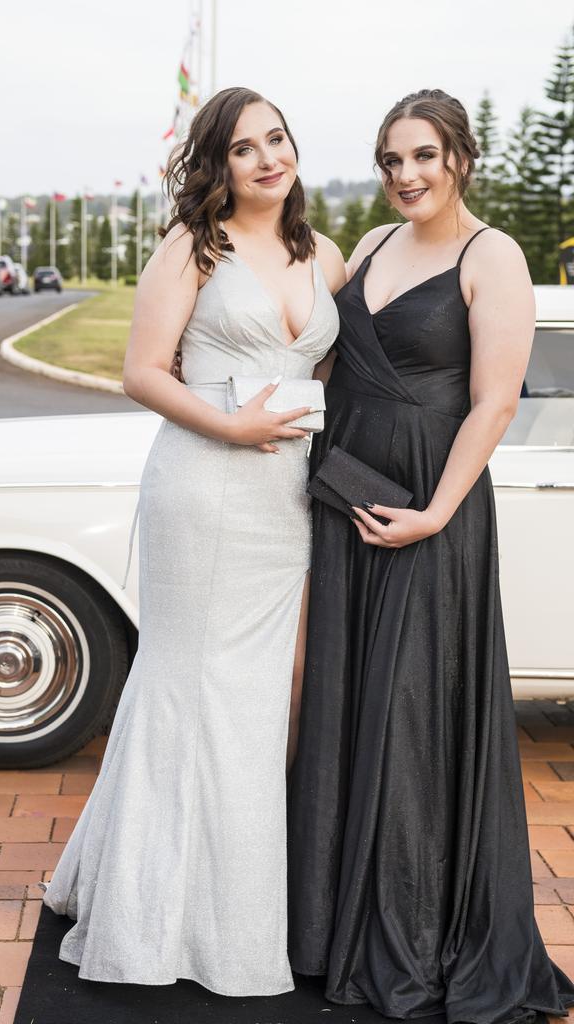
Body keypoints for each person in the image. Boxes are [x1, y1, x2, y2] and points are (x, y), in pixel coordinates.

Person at [41, 86, 343, 996]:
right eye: (245, 148)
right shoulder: (192, 247)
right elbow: (140, 372)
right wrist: (233, 429)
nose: (267, 159)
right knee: (189, 684)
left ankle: (240, 897)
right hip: (203, 487)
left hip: (286, 500)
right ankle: (155, 911)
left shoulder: (324, 253)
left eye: (278, 140)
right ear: (219, 163)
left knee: (264, 700)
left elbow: (326, 368)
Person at [287, 88, 574, 1022]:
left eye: (424, 157)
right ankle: (330, 929)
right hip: (349, 492)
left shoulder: (493, 255)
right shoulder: (369, 246)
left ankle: (410, 931)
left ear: (461, 157)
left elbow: (494, 402)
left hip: (427, 506)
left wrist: (436, 515)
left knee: (412, 712)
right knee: (346, 696)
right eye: (391, 160)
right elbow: (326, 361)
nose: (406, 176)